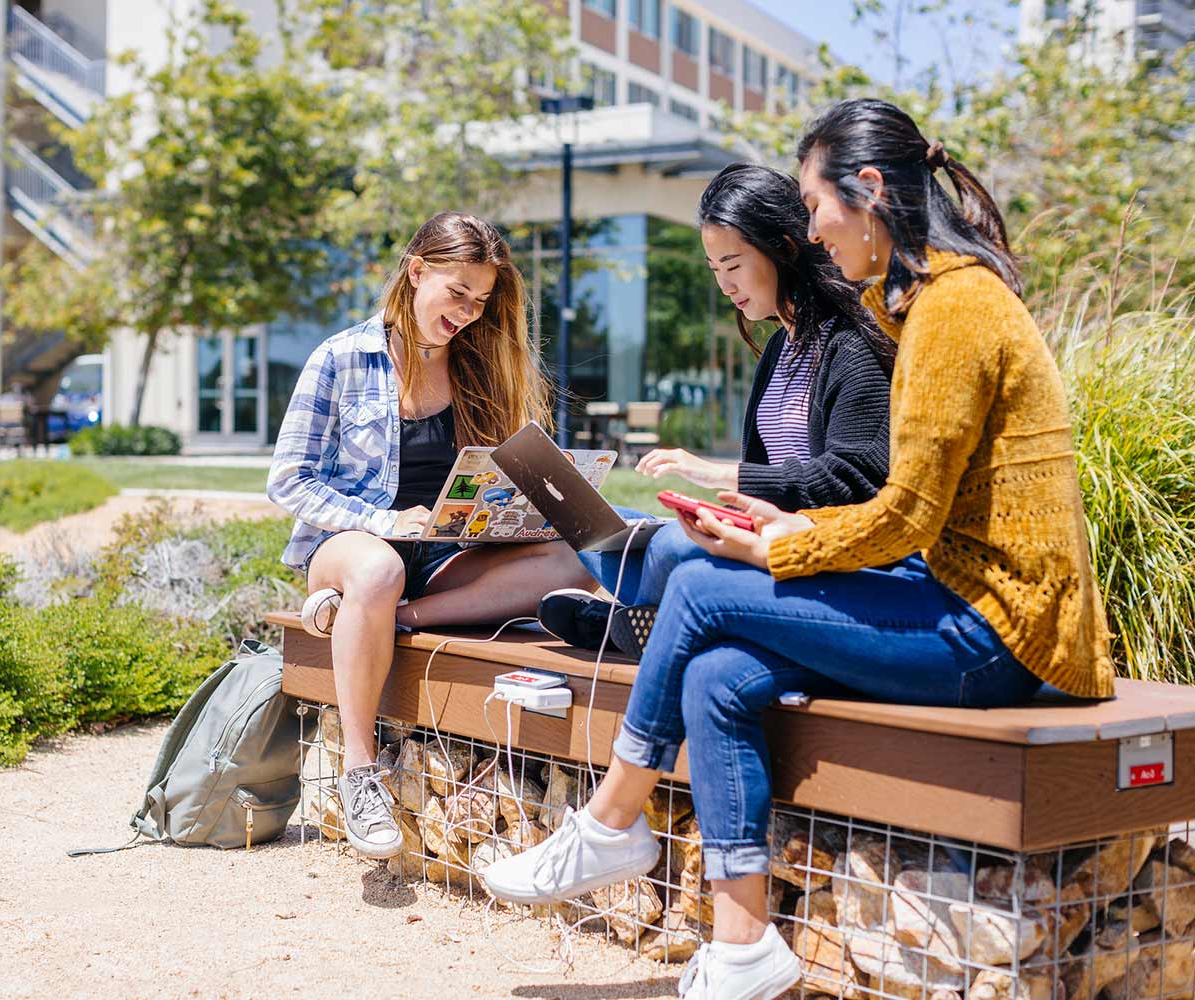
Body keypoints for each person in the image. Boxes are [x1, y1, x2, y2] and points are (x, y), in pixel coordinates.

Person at [482, 99, 1115, 1000]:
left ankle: (613, 820)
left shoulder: (953, 308)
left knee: (699, 586)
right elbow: (906, 514)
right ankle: (746, 949)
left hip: (995, 631)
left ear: (868, 191)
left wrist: (766, 548)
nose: (814, 231)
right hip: (954, 606)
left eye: (815, 207)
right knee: (714, 673)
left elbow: (902, 518)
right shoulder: (931, 303)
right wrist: (775, 532)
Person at [266, 211, 595, 860]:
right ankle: (362, 775)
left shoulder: (482, 367)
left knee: (569, 561)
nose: (469, 312)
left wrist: (574, 507)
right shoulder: (341, 358)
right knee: (379, 573)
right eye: (457, 293)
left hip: (442, 557)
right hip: (352, 547)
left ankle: (385, 619)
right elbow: (289, 482)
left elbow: (518, 471)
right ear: (417, 272)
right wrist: (386, 524)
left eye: (481, 300)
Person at [538, 163, 894, 657]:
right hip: (756, 534)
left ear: (784, 248)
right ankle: (645, 619)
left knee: (668, 549)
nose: (724, 285)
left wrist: (721, 475)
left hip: (810, 546)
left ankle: (627, 624)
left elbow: (857, 480)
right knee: (599, 519)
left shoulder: (850, 344)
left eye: (733, 264)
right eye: (714, 270)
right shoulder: (779, 349)